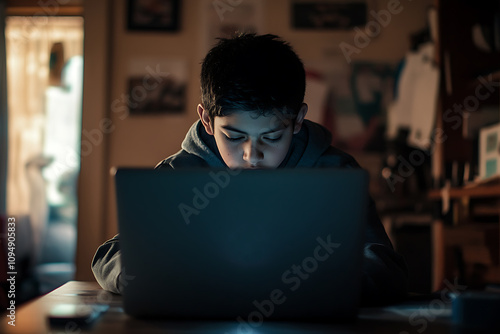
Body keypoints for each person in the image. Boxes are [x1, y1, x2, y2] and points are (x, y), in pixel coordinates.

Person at [92, 33, 408, 305]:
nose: (251, 155)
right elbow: (111, 255)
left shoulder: (337, 173)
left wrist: (310, 284)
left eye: (271, 137)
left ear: (297, 120)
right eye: (234, 136)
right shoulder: (179, 174)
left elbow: (384, 266)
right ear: (206, 120)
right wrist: (161, 276)